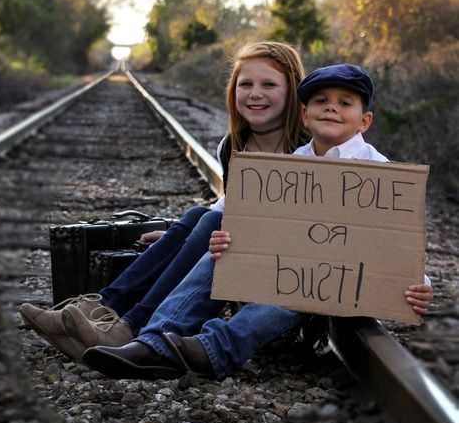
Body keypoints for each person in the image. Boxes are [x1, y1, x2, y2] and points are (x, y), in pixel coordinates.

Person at [82, 64, 434, 382]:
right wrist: (231, 240)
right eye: (321, 101)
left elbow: (397, 238)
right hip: (292, 270)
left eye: (345, 103)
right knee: (222, 250)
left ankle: (214, 350)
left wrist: (418, 282)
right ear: (305, 116)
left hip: (336, 283)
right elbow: (265, 223)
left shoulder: (379, 172)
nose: (332, 107)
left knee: (296, 289)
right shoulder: (294, 164)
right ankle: (155, 343)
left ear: (364, 121)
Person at [19, 41, 307, 361]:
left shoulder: (309, 149)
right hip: (242, 247)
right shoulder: (233, 146)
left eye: (269, 84)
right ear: (233, 90)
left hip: (281, 265)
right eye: (246, 84)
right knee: (201, 215)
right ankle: (97, 310)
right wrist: (177, 234)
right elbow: (233, 204)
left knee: (209, 220)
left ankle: (127, 326)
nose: (255, 93)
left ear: (293, 90)